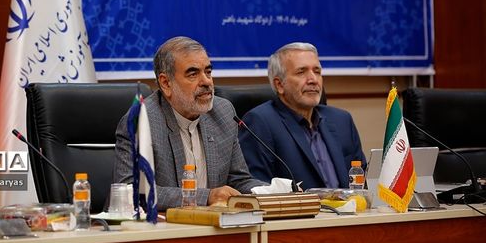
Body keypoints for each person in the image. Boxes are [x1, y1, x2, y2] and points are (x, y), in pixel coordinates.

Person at [113, 36, 266, 210]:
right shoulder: (142, 122)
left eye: (208, 72)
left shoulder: (223, 112)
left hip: (215, 222)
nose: (206, 81)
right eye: (193, 74)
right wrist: (207, 196)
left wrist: (275, 191)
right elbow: (131, 191)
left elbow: (239, 181)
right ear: (166, 83)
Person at [238, 42, 366, 190]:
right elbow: (259, 188)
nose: (313, 79)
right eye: (301, 72)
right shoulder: (259, 123)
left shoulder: (342, 120)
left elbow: (362, 181)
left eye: (317, 71)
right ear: (279, 85)